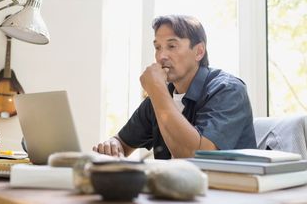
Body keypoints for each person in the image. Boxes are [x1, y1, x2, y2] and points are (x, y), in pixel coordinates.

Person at [93, 15, 256, 159]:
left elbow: (197, 157)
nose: (161, 56)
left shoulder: (228, 90)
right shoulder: (160, 97)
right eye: (157, 47)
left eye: (172, 46)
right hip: (173, 191)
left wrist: (157, 91)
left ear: (199, 52)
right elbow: (122, 142)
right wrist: (112, 144)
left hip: (225, 191)